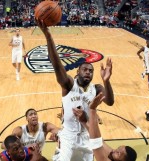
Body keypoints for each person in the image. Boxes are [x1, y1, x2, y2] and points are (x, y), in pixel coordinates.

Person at [36, 19, 114, 161]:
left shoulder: (96, 88)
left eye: (91, 70)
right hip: (68, 137)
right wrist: (48, 37)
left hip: (86, 136)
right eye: (84, 69)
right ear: (77, 72)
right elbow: (57, 65)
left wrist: (106, 81)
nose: (88, 72)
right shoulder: (69, 85)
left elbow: (110, 102)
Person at [73, 93, 137, 161]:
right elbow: (100, 141)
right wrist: (84, 121)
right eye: (118, 148)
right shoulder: (112, 153)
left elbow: (96, 144)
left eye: (118, 153)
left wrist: (92, 109)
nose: (114, 150)